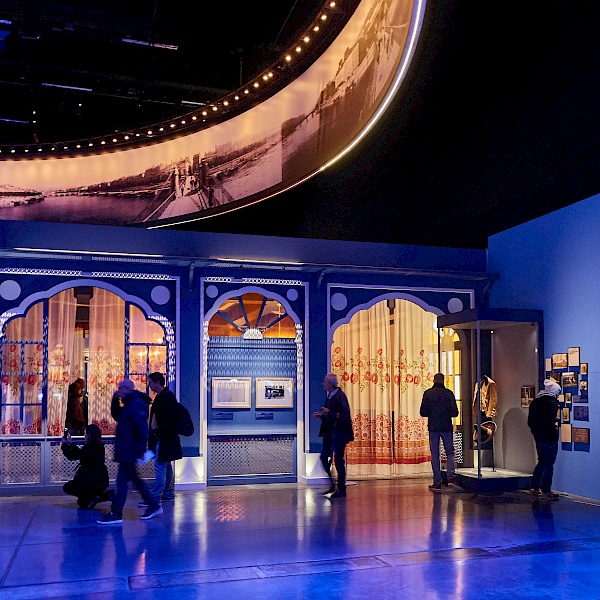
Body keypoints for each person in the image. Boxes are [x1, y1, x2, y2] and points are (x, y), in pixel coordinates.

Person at [97, 378, 162, 525]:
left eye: (121, 389)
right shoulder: (129, 404)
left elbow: (141, 428)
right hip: (127, 449)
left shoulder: (135, 404)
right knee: (136, 480)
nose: (119, 391)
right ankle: (153, 505)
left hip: (129, 450)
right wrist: (115, 399)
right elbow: (117, 416)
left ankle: (117, 512)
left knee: (122, 482)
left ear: (127, 389)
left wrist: (140, 450)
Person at [139, 372, 182, 507]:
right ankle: (168, 493)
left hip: (163, 438)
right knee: (165, 465)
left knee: (160, 466)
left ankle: (155, 496)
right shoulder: (166, 396)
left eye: (151, 383)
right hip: (165, 438)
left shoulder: (165, 398)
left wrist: (157, 432)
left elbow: (165, 420)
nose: (149, 386)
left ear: (157, 382)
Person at [314, 373, 354, 498]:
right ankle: (332, 483)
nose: (323, 384)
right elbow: (332, 416)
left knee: (338, 461)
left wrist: (329, 412)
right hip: (330, 434)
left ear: (330, 383)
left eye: (325, 382)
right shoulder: (330, 397)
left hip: (339, 434)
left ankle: (341, 489)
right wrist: (323, 416)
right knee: (324, 457)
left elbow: (344, 416)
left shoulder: (340, 396)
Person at [420, 372, 460, 491]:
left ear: (434, 381)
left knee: (435, 454)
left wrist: (432, 413)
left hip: (433, 427)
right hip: (446, 426)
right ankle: (451, 478)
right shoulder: (449, 394)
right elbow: (455, 412)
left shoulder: (428, 394)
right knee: (450, 452)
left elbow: (422, 412)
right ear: (443, 381)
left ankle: (437, 482)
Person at [61, 424, 110, 508]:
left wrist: (65, 445)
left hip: (91, 479)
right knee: (82, 503)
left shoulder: (90, 446)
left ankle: (103, 496)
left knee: (68, 487)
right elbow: (82, 454)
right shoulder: (99, 445)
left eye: (85, 433)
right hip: (100, 479)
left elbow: (74, 456)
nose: (84, 435)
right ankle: (98, 496)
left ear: (90, 434)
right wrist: (71, 444)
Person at [528, 379, 561, 500]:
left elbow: (530, 422)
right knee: (549, 463)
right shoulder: (551, 403)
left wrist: (537, 433)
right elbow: (550, 420)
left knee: (541, 461)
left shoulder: (535, 403)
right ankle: (546, 489)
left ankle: (535, 486)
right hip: (550, 437)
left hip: (539, 437)